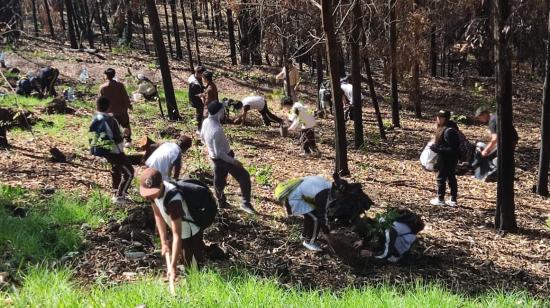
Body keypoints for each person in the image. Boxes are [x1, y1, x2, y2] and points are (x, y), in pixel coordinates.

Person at [139, 168, 215, 287]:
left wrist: (173, 267)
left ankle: (196, 287)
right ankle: (192, 280)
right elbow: (158, 214)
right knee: (184, 258)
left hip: (190, 229)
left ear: (161, 184)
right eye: (148, 193)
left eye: (152, 193)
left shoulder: (174, 200)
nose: (150, 196)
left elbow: (177, 235)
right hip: (179, 227)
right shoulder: (153, 195)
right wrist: (164, 241)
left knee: (191, 261)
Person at [200, 101, 256, 214]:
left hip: (214, 158)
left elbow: (202, 138)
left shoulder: (206, 121)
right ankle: (245, 203)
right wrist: (234, 161)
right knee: (244, 176)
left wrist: (210, 148)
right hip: (224, 158)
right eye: (222, 110)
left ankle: (221, 202)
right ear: (218, 112)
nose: (224, 112)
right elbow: (219, 153)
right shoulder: (217, 130)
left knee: (219, 179)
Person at [89, 96, 134, 204]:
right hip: (114, 151)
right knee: (129, 172)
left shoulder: (95, 118)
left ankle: (117, 192)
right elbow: (117, 137)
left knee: (117, 169)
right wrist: (125, 133)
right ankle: (119, 196)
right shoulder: (110, 120)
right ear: (109, 107)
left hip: (101, 150)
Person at [274, 176, 332, 251]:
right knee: (315, 219)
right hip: (293, 200)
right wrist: (326, 230)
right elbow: (321, 211)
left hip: (296, 197)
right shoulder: (321, 190)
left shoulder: (323, 183)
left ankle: (305, 235)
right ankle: (309, 242)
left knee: (310, 216)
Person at [429, 110, 460, 207]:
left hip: (447, 158)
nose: (438, 119)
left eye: (440, 117)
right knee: (450, 177)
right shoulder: (445, 128)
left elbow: (453, 148)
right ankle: (453, 199)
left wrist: (437, 148)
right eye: (437, 117)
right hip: (448, 157)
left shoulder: (449, 131)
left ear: (445, 119)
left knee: (441, 178)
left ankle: (440, 199)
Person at [99, 68, 133, 147]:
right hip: (122, 111)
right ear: (114, 75)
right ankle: (128, 141)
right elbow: (125, 97)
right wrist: (129, 106)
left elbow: (101, 101)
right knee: (125, 125)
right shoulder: (120, 85)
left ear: (106, 76)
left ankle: (114, 142)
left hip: (110, 112)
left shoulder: (102, 87)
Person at [188, 66, 206, 133]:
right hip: (196, 100)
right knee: (200, 113)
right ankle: (199, 129)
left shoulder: (198, 79)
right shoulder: (194, 83)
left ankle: (201, 126)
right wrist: (203, 99)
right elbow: (198, 94)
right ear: (198, 73)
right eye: (202, 74)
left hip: (199, 98)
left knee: (201, 113)